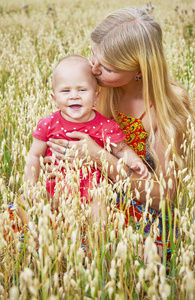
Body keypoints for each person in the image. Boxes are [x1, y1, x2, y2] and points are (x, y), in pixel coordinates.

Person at [44, 7, 195, 255]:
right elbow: (65, 131)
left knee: (91, 250)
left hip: (138, 209)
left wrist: (98, 157)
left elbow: (164, 197)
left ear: (139, 70)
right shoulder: (97, 87)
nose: (93, 69)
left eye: (107, 68)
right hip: (86, 192)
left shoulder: (168, 105)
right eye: (94, 55)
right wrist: (60, 159)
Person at [17, 54, 150, 228]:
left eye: (82, 90)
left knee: (100, 208)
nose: (74, 96)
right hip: (53, 186)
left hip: (91, 190)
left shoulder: (104, 125)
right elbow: (34, 155)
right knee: (23, 201)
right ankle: (36, 236)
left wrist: (134, 160)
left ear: (96, 96)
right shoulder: (48, 124)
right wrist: (31, 185)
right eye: (66, 91)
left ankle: (96, 241)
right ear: (54, 98)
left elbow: (121, 148)